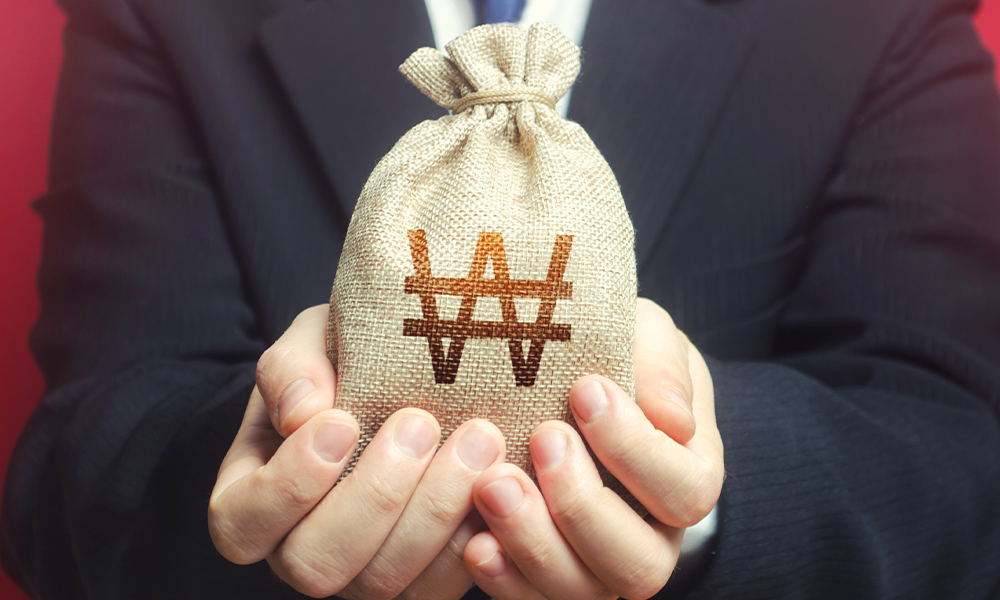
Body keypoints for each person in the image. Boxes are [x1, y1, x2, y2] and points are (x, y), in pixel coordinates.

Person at [3, 0, 1000, 598]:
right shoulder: (165, 13)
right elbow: (73, 461)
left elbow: (961, 450)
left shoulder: (874, 19)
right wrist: (266, 456)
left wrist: (686, 480)